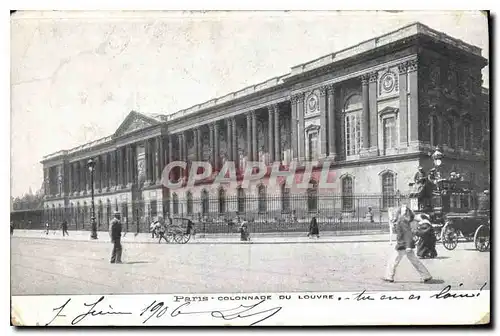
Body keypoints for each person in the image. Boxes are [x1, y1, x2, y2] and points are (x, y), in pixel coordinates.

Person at [383, 204, 432, 283]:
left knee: (393, 261)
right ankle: (426, 275)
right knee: (415, 261)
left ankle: (389, 277)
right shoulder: (403, 220)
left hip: (403, 245)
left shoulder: (402, 221)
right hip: (405, 245)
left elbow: (407, 234)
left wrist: (408, 246)